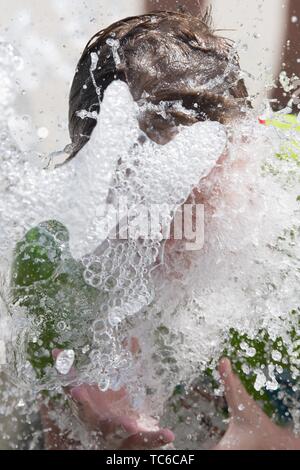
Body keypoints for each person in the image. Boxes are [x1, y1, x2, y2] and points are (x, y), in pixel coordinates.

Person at [20, 10, 300, 450]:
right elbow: (59, 437)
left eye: (194, 210)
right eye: (135, 215)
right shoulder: (56, 260)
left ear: (247, 157)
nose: (167, 238)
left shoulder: (285, 247)